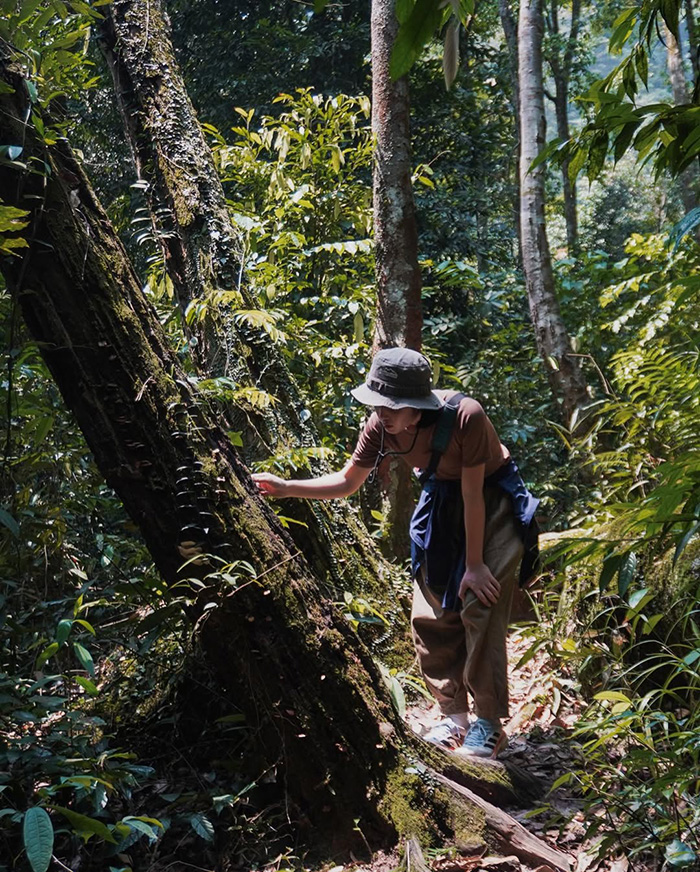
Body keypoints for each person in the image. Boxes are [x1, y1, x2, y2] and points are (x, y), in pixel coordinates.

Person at [252, 347, 539, 759]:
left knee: (479, 602)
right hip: (440, 501)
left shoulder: (465, 416)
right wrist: (287, 486)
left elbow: (474, 494)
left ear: (416, 408)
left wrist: (474, 566)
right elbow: (348, 482)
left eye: (391, 405)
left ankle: (489, 723)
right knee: (429, 613)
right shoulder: (379, 428)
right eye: (376, 403)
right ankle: (453, 716)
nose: (381, 413)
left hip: (490, 502)